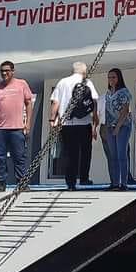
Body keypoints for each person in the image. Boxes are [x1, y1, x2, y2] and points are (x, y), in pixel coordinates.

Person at [0, 60, 34, 192]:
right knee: (0, 157)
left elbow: (29, 103)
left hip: (16, 128)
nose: (4, 73)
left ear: (12, 71)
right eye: (2, 71)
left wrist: (28, 122)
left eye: (7, 70)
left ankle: (22, 183)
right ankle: (1, 183)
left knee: (19, 156)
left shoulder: (21, 84)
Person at [49, 61, 99, 190]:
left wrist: (52, 119)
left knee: (70, 153)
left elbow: (55, 102)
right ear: (84, 71)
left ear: (72, 71)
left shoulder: (62, 82)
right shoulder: (87, 83)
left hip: (66, 124)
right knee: (85, 151)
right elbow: (93, 102)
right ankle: (84, 178)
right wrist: (95, 121)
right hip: (84, 123)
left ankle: (70, 182)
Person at [103, 68, 132, 189]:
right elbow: (106, 111)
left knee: (121, 154)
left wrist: (118, 127)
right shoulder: (108, 93)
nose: (111, 80)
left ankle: (124, 183)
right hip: (110, 126)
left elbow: (125, 110)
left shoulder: (124, 92)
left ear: (118, 78)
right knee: (112, 155)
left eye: (113, 77)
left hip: (123, 126)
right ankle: (114, 182)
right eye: (109, 77)